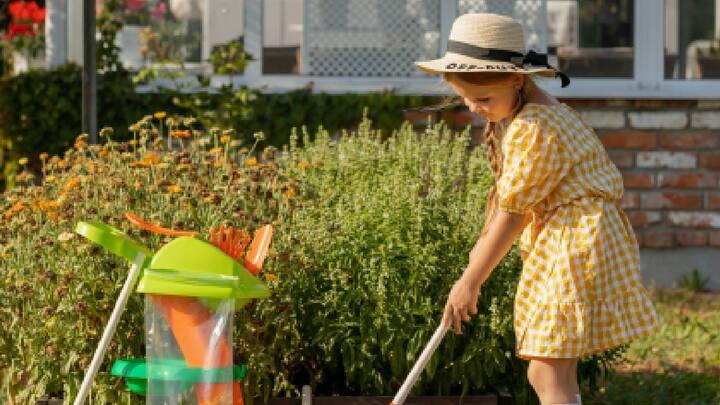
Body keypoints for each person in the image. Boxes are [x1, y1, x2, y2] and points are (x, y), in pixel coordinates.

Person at [415, 13, 658, 405]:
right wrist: (472, 265)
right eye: (465, 98)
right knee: (545, 367)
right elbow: (514, 207)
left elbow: (513, 215)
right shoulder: (539, 113)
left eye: (483, 99)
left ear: (516, 80)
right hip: (573, 237)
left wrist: (469, 282)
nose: (474, 108)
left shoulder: (536, 128)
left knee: (549, 366)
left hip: (575, 242)